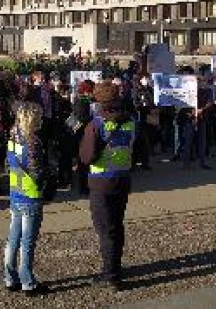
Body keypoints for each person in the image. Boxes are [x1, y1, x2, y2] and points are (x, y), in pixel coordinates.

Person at [79, 81, 135, 292]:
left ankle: (111, 276)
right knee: (117, 226)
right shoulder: (131, 121)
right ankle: (115, 267)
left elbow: (86, 157)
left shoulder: (96, 124)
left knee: (105, 230)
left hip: (102, 182)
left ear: (99, 101)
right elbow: (137, 148)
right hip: (123, 178)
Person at [3, 100, 49, 297]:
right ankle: (27, 282)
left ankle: (9, 276)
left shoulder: (13, 136)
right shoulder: (33, 141)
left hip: (16, 191)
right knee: (28, 241)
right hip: (30, 195)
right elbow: (37, 171)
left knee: (13, 238)